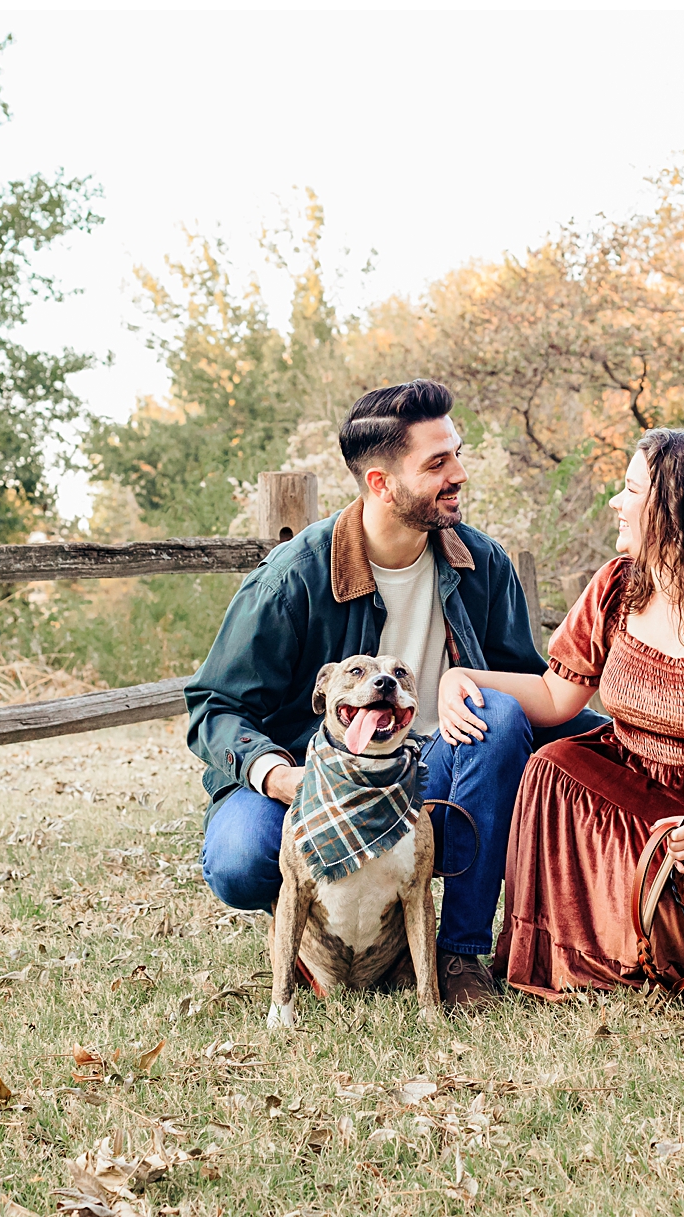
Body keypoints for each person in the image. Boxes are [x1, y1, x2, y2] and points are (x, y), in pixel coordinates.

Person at [186, 379, 603, 1012]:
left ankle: (459, 954)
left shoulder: (480, 565)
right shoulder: (294, 578)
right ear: (380, 483)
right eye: (438, 463)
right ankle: (318, 935)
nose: (459, 473)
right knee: (242, 855)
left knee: (500, 713)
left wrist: (634, 749)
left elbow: (533, 689)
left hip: (435, 777)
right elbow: (215, 705)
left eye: (456, 453)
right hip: (317, 777)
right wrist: (277, 776)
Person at [436, 428, 684, 999]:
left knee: (678, 900)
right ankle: (563, 951)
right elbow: (556, 696)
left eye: (631, 489)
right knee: (553, 765)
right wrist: (462, 677)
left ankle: (636, 943)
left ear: (675, 508)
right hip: (630, 769)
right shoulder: (617, 586)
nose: (616, 501)